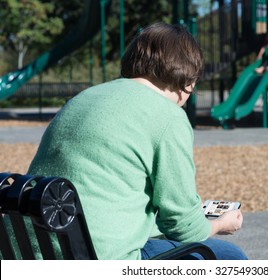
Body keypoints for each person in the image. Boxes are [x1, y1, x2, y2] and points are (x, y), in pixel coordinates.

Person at [28, 22, 247, 260]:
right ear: (188, 79)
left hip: (32, 248)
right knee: (229, 257)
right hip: (97, 257)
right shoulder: (168, 116)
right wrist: (219, 224)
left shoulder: (84, 97)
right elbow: (185, 228)